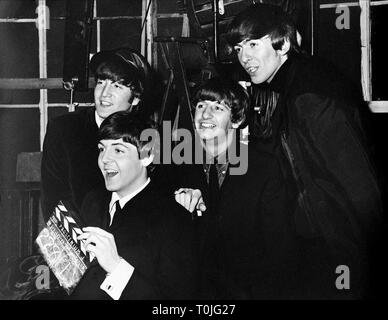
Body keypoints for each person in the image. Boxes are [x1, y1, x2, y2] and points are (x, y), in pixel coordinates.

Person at [226, 3, 383, 298]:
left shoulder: (308, 92)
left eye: (253, 44)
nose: (244, 57)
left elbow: (358, 185)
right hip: (323, 245)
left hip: (342, 247)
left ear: (283, 43)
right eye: (237, 48)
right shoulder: (293, 84)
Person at [155, 77, 299, 299]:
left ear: (237, 119)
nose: (205, 115)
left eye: (217, 107)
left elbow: (279, 252)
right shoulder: (171, 165)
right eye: (201, 106)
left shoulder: (264, 168)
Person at [71, 111, 198, 300]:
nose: (105, 159)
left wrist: (116, 267)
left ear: (147, 156)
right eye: (101, 149)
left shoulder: (173, 218)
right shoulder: (92, 201)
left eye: (118, 150)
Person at [41, 47, 153, 222]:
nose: (104, 94)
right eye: (101, 82)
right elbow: (54, 201)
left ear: (136, 97)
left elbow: (165, 187)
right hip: (79, 240)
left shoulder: (149, 134)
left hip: (133, 241)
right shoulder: (64, 130)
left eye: (116, 85)